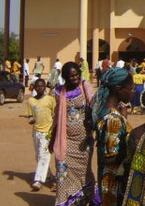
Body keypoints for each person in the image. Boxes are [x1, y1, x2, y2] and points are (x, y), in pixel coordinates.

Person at [49, 62, 96, 206]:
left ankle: (84, 198)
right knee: (62, 171)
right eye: (71, 76)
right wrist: (52, 138)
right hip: (65, 140)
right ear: (64, 77)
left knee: (84, 172)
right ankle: (63, 201)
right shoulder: (59, 92)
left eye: (77, 75)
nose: (75, 78)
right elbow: (57, 116)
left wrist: (91, 121)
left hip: (84, 141)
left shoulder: (84, 87)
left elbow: (94, 106)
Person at [92, 67, 133, 205]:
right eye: (130, 87)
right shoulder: (113, 119)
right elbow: (110, 157)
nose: (133, 91)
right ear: (119, 89)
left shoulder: (107, 112)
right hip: (112, 183)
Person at [26, 78, 56, 191]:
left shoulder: (50, 100)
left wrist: (53, 130)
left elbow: (55, 114)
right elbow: (30, 116)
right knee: (38, 156)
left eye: (42, 86)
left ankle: (38, 180)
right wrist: (31, 120)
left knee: (44, 155)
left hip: (47, 132)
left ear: (45, 87)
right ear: (34, 87)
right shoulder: (31, 101)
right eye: (37, 86)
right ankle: (48, 175)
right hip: (36, 132)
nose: (40, 88)